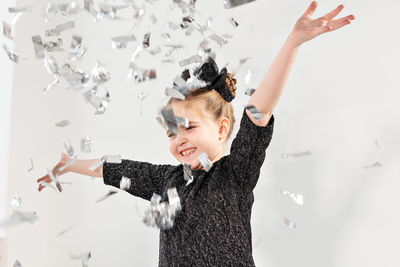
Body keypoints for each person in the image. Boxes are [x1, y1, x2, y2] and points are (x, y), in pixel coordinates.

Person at [37, 2, 355, 266]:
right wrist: (69, 164)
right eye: (171, 134)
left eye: (189, 127)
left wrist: (292, 44)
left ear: (221, 129)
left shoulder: (235, 174)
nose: (179, 140)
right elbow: (115, 168)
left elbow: (259, 111)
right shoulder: (166, 181)